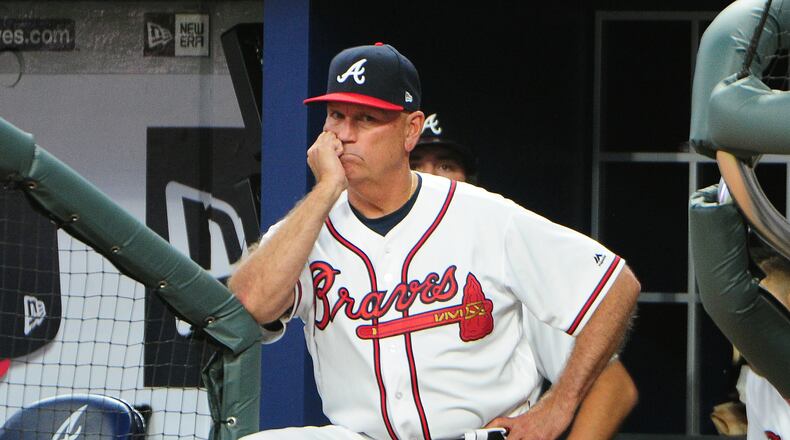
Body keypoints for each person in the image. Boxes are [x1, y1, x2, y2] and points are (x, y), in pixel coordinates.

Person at [229, 42, 641, 440]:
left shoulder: (483, 215)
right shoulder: (309, 227)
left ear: (411, 131)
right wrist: (324, 191)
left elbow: (616, 284)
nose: (346, 134)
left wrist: (556, 408)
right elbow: (251, 303)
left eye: (367, 119)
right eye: (336, 116)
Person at [410, 114, 638, 440]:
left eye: (445, 166)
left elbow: (613, 388)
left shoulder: (504, 262)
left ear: (471, 182)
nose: (431, 178)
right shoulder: (376, 268)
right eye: (416, 165)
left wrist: (555, 407)